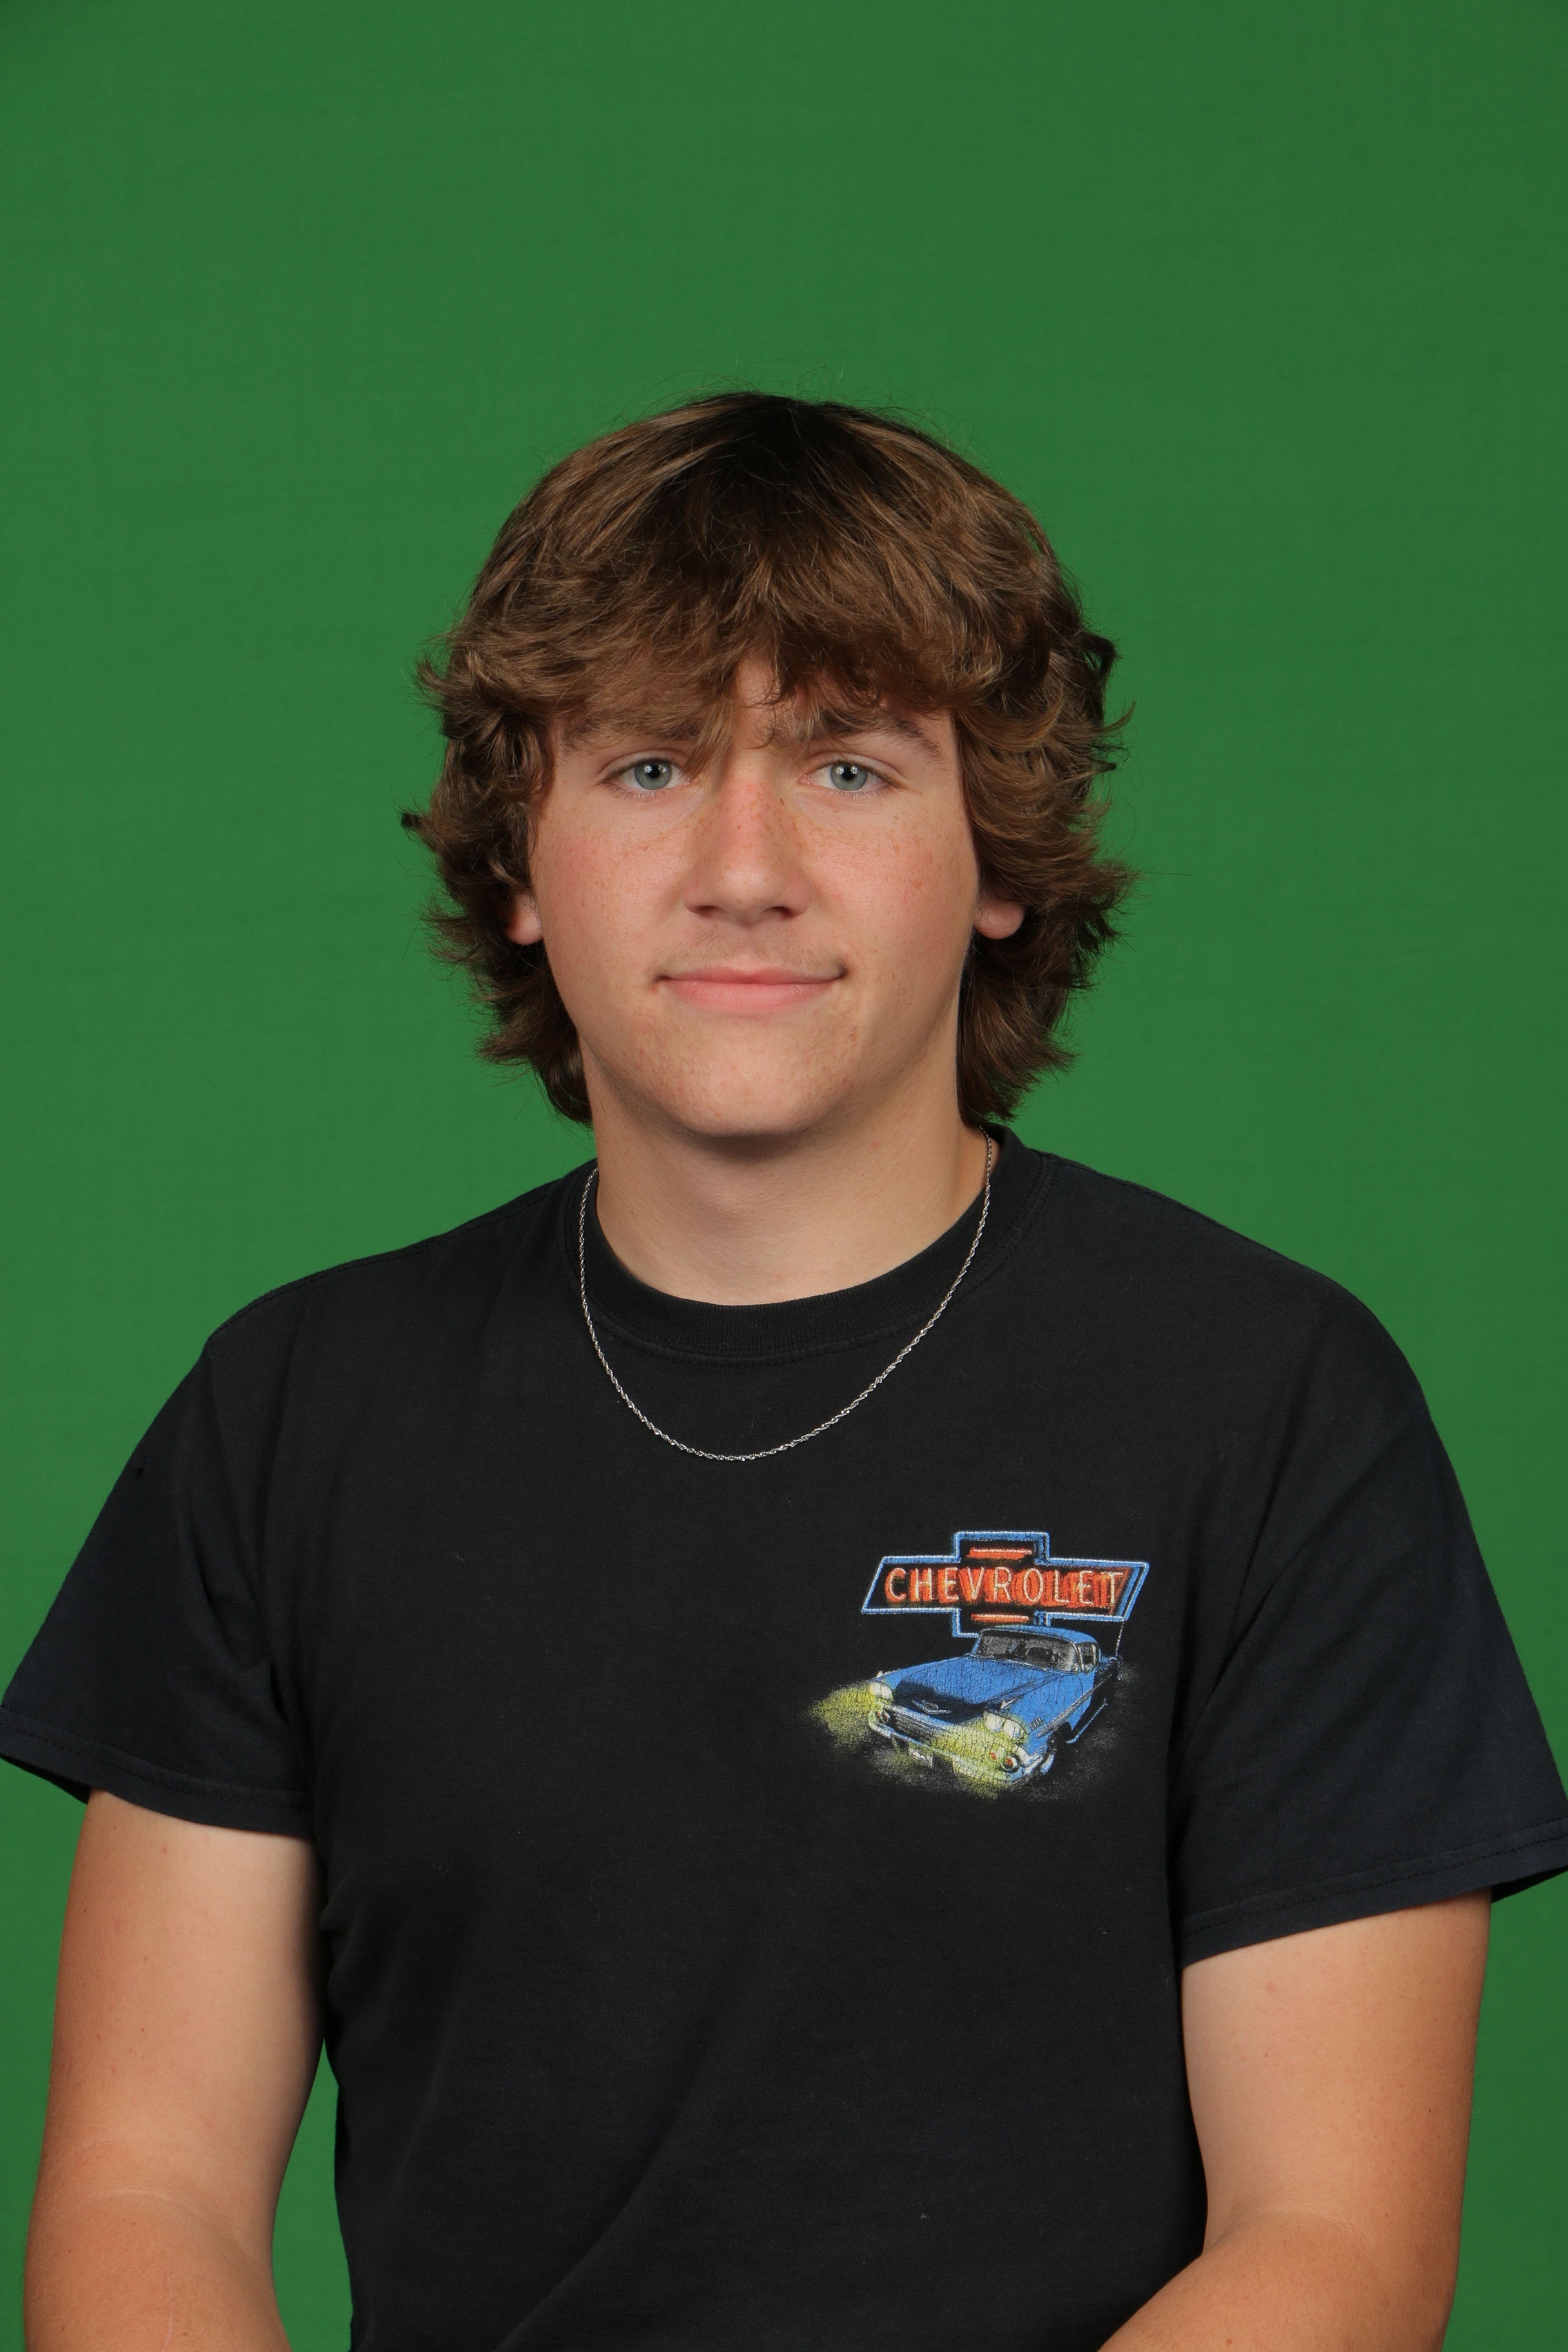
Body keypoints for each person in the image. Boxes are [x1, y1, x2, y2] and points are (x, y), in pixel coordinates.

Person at [4, 392, 1564, 2352]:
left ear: (997, 857)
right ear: (522, 863)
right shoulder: (291, 1415)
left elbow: (1333, 2244)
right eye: (651, 764)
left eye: (847, 765)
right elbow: (146, 2191)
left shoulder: (1273, 1403)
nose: (745, 868)